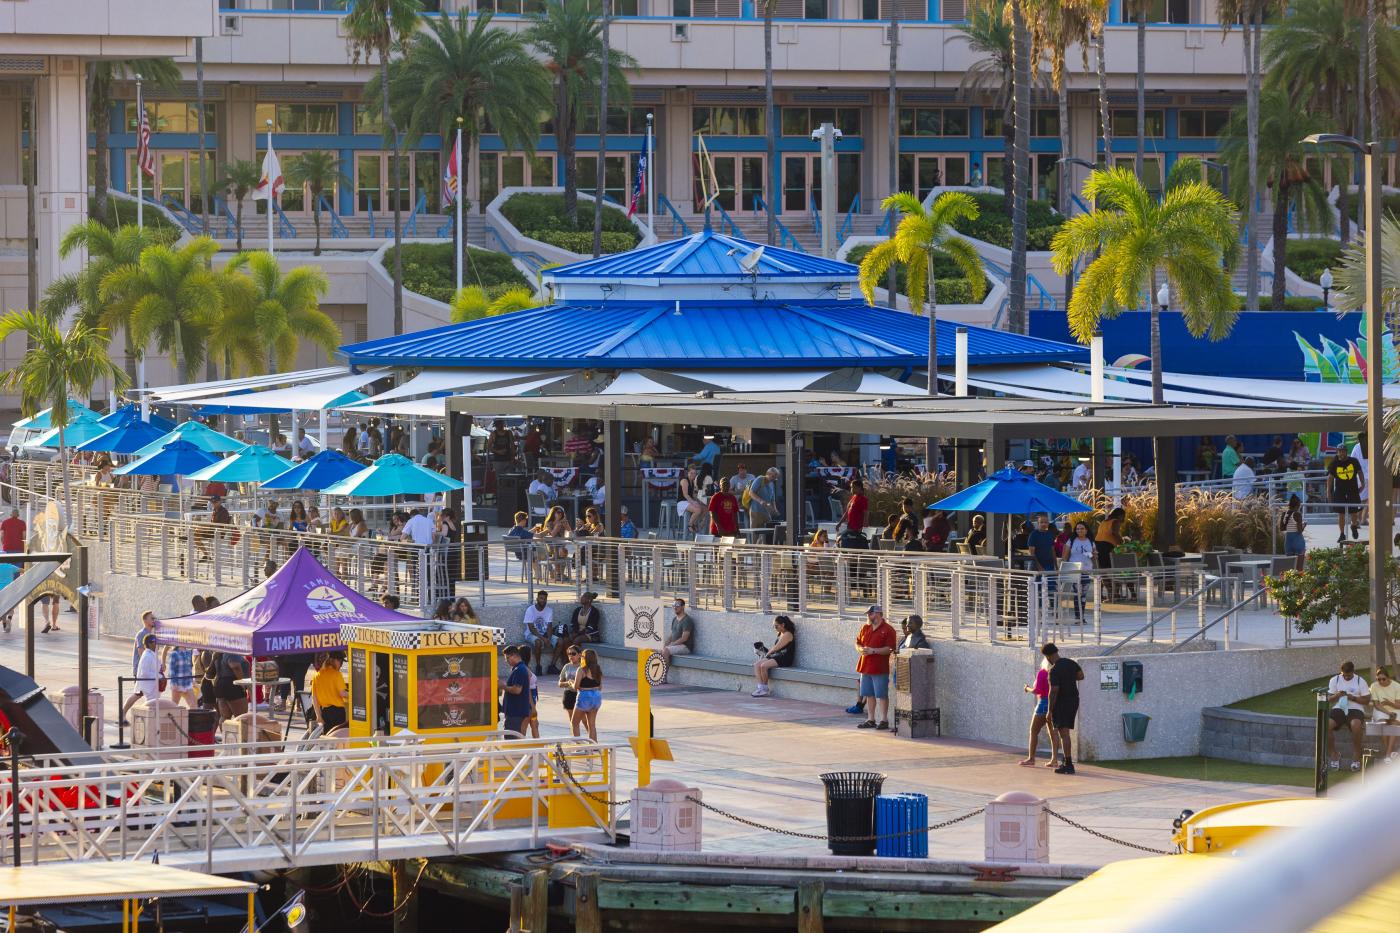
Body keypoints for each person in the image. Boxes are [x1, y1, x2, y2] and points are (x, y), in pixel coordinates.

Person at [1043, 642, 1083, 775]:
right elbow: (1081, 676)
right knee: (1065, 732)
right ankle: (1067, 761)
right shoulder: (1070, 663)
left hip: (1062, 703)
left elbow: (1053, 691)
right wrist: (1069, 678)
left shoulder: (1053, 670)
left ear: (1048, 656)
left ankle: (1068, 763)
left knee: (1063, 733)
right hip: (1074, 700)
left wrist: (1049, 710)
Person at [855, 606, 896, 729]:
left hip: (879, 668)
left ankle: (884, 720)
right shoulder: (865, 627)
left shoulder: (888, 630)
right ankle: (870, 719)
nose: (868, 616)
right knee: (868, 694)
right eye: (868, 614)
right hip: (865, 666)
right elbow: (857, 643)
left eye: (870, 613)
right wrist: (860, 649)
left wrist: (874, 651)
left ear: (878, 614)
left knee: (882, 694)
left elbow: (890, 648)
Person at [1326, 660, 1370, 771]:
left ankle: (1356, 755)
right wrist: (1337, 695)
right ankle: (1334, 754)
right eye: (1344, 675)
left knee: (1356, 724)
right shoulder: (1334, 680)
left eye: (1348, 676)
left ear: (1353, 672)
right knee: (1326, 725)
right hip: (1339, 707)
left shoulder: (1360, 681)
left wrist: (1353, 698)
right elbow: (1329, 699)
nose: (1345, 678)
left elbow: (1366, 700)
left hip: (1355, 708)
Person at [1020, 656, 1062, 768]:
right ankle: (1054, 760)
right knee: (1053, 733)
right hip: (1054, 704)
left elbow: (1036, 690)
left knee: (1033, 731)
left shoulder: (1042, 673)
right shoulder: (1056, 672)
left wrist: (1027, 688)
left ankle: (1031, 758)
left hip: (1043, 703)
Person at [551, 591, 602, 672]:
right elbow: (573, 623)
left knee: (576, 640)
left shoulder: (594, 612)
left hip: (591, 634)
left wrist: (577, 634)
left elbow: (591, 627)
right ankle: (566, 663)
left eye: (583, 597)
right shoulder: (577, 610)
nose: (581, 598)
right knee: (565, 640)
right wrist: (574, 632)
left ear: (589, 600)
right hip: (578, 633)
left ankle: (576, 664)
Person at [121, 632, 163, 721]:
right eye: (155, 641)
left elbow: (154, 668)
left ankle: (127, 714)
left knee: (145, 700)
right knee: (148, 702)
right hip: (146, 684)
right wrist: (159, 676)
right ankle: (131, 716)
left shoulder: (152, 654)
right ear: (149, 643)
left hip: (151, 684)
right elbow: (145, 673)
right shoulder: (147, 656)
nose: (157, 644)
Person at [751, 616, 797, 697]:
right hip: (777, 656)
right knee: (756, 665)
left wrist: (768, 654)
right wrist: (765, 651)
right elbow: (775, 649)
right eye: (773, 626)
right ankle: (760, 687)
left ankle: (765, 689)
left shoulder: (788, 634)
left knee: (763, 666)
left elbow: (777, 647)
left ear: (783, 625)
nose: (775, 628)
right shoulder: (780, 633)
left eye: (776, 626)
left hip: (785, 658)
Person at [1327, 445, 1364, 544]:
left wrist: (1363, 484)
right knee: (1341, 514)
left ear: (1346, 451)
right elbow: (1330, 479)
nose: (1342, 453)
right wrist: (1328, 493)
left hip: (1353, 490)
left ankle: (1354, 526)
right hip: (1340, 491)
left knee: (1354, 512)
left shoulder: (1353, 461)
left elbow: (1360, 472)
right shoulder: (1334, 463)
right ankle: (1342, 534)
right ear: (1337, 452)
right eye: (1340, 451)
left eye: (1343, 451)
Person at [1368, 666, 1400, 761]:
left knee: (1394, 725)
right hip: (1381, 709)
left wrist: (1388, 703)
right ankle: (1390, 752)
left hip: (1395, 708)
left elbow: (1399, 705)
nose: (1381, 681)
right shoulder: (1374, 686)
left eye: (1383, 679)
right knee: (1382, 724)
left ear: (1388, 678)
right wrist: (1388, 713)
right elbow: (1377, 705)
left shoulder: (1397, 686)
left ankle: (1388, 754)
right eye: (1379, 679)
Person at [571, 648, 603, 740]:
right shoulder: (598, 669)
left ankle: (578, 746)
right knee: (592, 724)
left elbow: (576, 686)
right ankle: (594, 746)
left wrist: (570, 683)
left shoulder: (581, 670)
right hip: (596, 696)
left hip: (585, 696)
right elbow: (600, 687)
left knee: (575, 722)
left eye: (582, 656)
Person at [311, 653, 348, 732]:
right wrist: (355, 694)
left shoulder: (317, 676)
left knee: (326, 738)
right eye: (340, 661)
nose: (341, 665)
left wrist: (319, 716)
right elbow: (343, 694)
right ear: (333, 661)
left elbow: (314, 698)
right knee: (337, 737)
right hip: (337, 712)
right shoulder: (337, 675)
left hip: (324, 712)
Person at [660, 597, 694, 680]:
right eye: (673, 605)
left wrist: (672, 644)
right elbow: (672, 635)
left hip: (684, 646)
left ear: (683, 607)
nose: (675, 607)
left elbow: (684, 638)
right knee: (657, 648)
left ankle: (664, 677)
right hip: (674, 646)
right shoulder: (674, 619)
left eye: (677, 605)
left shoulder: (687, 620)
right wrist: (665, 644)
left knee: (666, 651)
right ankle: (655, 674)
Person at [501, 646, 532, 735]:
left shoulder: (520, 669)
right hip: (514, 712)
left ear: (514, 655)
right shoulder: (518, 669)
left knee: (511, 741)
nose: (506, 661)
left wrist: (503, 686)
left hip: (515, 713)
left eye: (507, 658)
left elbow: (517, 690)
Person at [523, 590, 552, 675]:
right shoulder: (530, 610)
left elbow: (549, 626)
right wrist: (544, 639)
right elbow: (531, 628)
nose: (543, 600)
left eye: (545, 599)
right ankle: (538, 666)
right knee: (538, 642)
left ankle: (552, 666)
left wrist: (549, 639)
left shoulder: (549, 610)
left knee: (560, 641)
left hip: (545, 634)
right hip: (530, 634)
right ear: (537, 599)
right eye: (541, 598)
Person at [163, 641, 197, 708]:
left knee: (194, 705)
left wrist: (192, 680)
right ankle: (171, 718)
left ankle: (190, 718)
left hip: (187, 684)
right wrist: (174, 683)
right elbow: (172, 670)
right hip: (177, 684)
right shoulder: (174, 654)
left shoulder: (188, 652)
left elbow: (189, 668)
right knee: (174, 706)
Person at [1280, 493, 1307, 571]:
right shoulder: (1297, 514)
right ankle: (1299, 583)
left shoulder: (1284, 514)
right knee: (1299, 569)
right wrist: (1304, 525)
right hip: (1298, 541)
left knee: (1289, 569)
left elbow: (1282, 528)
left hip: (1288, 541)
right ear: (1297, 506)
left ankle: (1289, 583)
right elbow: (1299, 531)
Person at [676, 464, 705, 535]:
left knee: (704, 508)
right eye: (691, 473)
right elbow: (685, 494)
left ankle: (696, 523)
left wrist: (698, 500)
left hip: (688, 501)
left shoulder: (693, 482)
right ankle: (689, 525)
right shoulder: (684, 480)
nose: (693, 475)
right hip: (682, 502)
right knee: (698, 509)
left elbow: (693, 495)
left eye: (694, 473)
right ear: (688, 473)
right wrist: (693, 502)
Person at [559, 644, 582, 719]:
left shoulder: (583, 667)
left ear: (579, 655)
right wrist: (568, 683)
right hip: (568, 694)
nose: (571, 656)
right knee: (572, 720)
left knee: (584, 719)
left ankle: (590, 731)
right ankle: (573, 731)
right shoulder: (567, 666)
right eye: (569, 654)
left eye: (573, 654)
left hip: (580, 694)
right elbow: (560, 683)